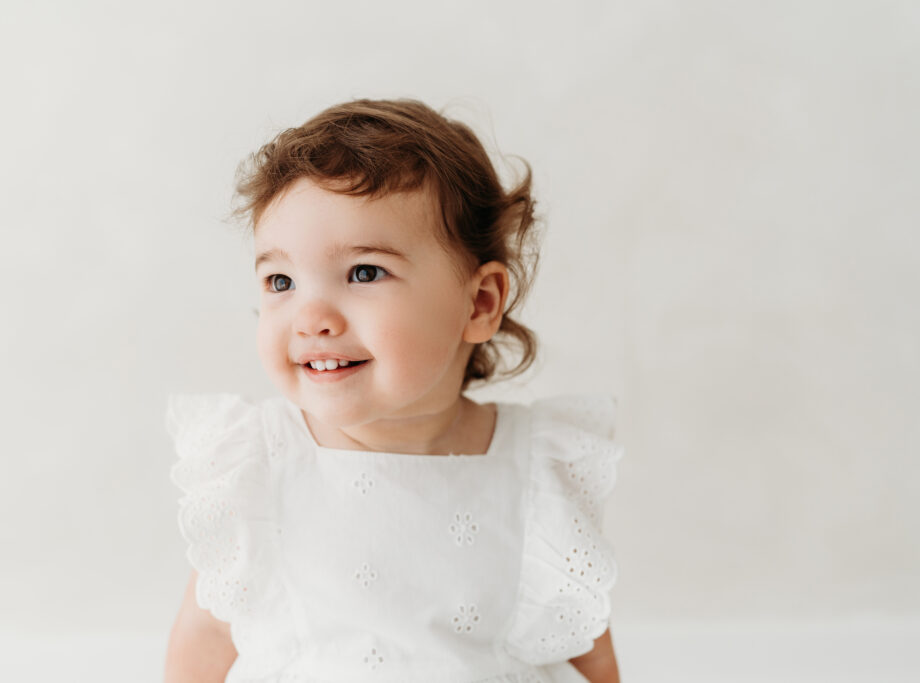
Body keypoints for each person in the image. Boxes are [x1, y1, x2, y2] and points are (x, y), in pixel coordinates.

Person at [164, 99, 623, 683]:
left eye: (364, 272)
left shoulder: (536, 468)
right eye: (281, 281)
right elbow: (206, 635)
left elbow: (584, 642)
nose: (311, 316)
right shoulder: (256, 465)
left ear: (479, 303)